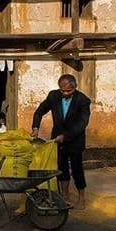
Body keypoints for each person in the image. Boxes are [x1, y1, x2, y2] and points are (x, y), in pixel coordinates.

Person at [31, 74, 91, 209]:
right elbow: (40, 111)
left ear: (75, 88)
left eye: (68, 91)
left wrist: (66, 136)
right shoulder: (53, 96)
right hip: (58, 139)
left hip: (75, 139)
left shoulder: (83, 100)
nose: (65, 93)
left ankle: (82, 198)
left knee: (77, 168)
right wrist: (35, 128)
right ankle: (65, 195)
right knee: (61, 167)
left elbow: (82, 124)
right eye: (62, 90)